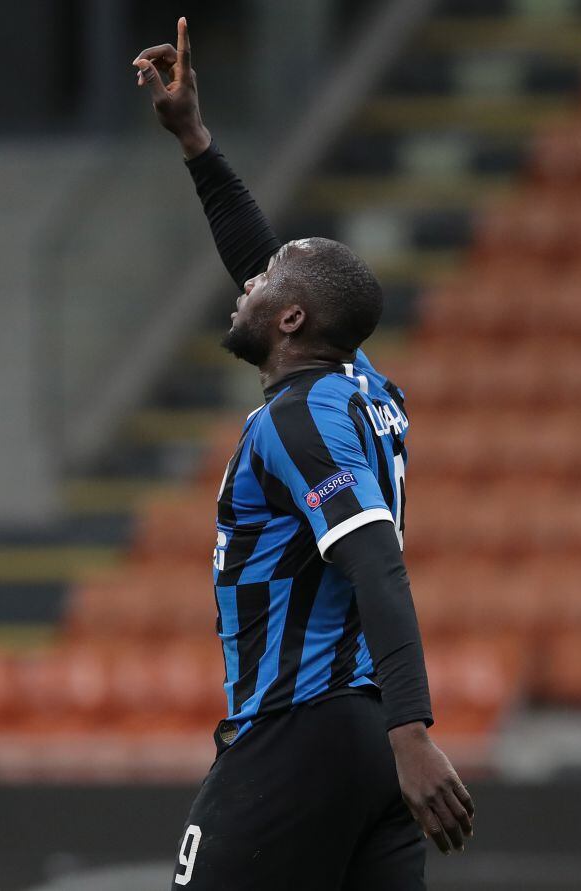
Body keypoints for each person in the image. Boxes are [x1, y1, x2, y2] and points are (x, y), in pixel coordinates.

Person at [133, 18, 474, 890]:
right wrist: (197, 143)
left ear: (291, 322)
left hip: (302, 731)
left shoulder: (298, 418)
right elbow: (262, 261)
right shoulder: (357, 382)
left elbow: (377, 566)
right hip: (362, 748)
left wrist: (415, 730)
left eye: (269, 283)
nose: (250, 281)